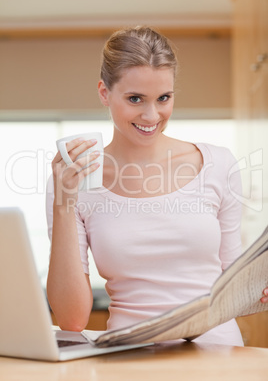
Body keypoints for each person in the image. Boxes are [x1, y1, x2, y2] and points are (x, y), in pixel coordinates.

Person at [46, 26, 268, 346]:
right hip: (129, 353)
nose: (152, 115)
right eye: (135, 98)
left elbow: (232, 280)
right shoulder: (73, 181)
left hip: (217, 349)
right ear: (104, 93)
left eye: (163, 98)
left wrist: (256, 289)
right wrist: (63, 204)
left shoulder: (218, 164)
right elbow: (71, 319)